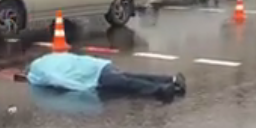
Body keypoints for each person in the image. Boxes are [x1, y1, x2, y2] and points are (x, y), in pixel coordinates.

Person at [20, 52, 186, 103]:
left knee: (128, 83)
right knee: (129, 76)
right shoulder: (49, 57)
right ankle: (170, 79)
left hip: (94, 75)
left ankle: (161, 90)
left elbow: (55, 79)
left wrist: (82, 88)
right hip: (99, 65)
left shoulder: (37, 70)